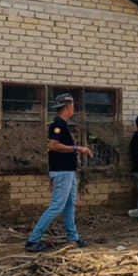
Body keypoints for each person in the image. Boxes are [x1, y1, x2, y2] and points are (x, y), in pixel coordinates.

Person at [25, 93, 93, 251]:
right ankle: (33, 240)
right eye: (73, 106)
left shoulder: (63, 125)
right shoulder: (57, 125)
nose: (74, 109)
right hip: (62, 172)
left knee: (70, 206)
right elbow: (53, 145)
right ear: (68, 107)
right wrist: (78, 148)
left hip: (68, 171)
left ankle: (73, 238)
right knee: (57, 206)